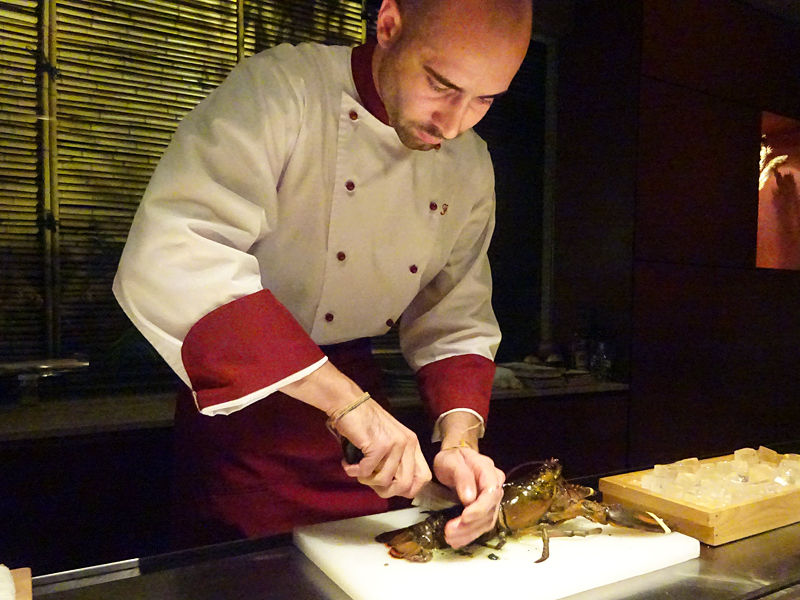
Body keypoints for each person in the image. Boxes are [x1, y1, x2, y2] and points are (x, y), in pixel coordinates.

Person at [113, 0, 532, 549]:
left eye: (484, 99)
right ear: (388, 26)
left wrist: (461, 443)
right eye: (440, 85)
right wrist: (346, 403)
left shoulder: (470, 162)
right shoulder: (282, 91)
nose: (453, 124)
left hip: (365, 436)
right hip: (251, 413)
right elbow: (178, 254)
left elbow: (456, 314)